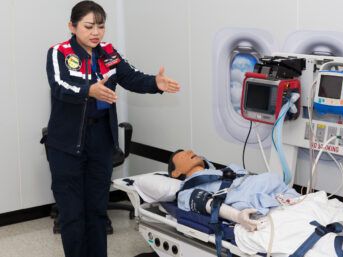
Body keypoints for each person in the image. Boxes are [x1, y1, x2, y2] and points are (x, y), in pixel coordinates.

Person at [44, 1, 180, 257]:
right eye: (88, 26)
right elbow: (60, 85)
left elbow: (130, 77)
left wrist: (155, 83)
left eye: (101, 26)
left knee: (96, 211)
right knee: (72, 215)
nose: (96, 32)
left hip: (100, 141)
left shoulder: (108, 52)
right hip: (66, 143)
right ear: (72, 26)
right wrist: (89, 90)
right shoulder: (59, 52)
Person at [167, 149, 300, 231]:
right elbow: (210, 205)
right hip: (260, 205)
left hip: (283, 194)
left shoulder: (224, 171)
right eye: (183, 155)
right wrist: (238, 217)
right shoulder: (185, 192)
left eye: (189, 151)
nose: (190, 151)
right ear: (175, 173)